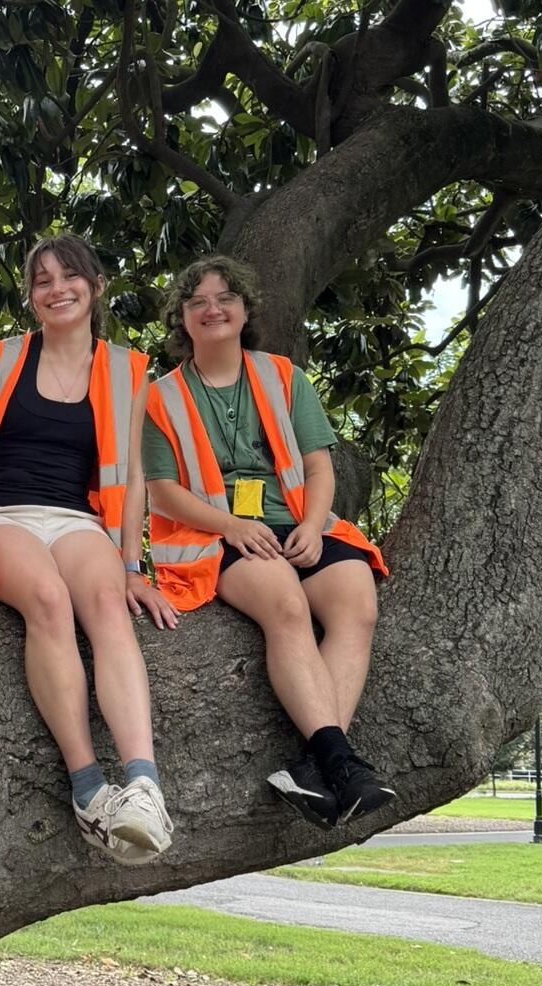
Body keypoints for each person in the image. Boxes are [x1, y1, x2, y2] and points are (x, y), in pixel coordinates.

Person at [141, 255, 393, 827]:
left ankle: (315, 769)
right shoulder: (158, 397)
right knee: (286, 603)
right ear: (182, 318)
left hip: (301, 524)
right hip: (217, 533)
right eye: (198, 301)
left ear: (245, 309)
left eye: (225, 297)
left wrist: (310, 524)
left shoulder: (283, 376)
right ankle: (342, 764)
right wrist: (230, 524)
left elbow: (319, 467)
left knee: (357, 605)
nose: (213, 308)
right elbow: (160, 491)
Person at [0, 233, 178, 866]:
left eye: (70, 277)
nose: (57, 288)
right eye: (42, 280)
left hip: (74, 517)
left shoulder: (128, 370)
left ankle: (143, 786)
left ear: (96, 286)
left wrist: (132, 564)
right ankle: (89, 790)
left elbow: (135, 479)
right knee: (48, 599)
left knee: (109, 605)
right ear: (31, 297)